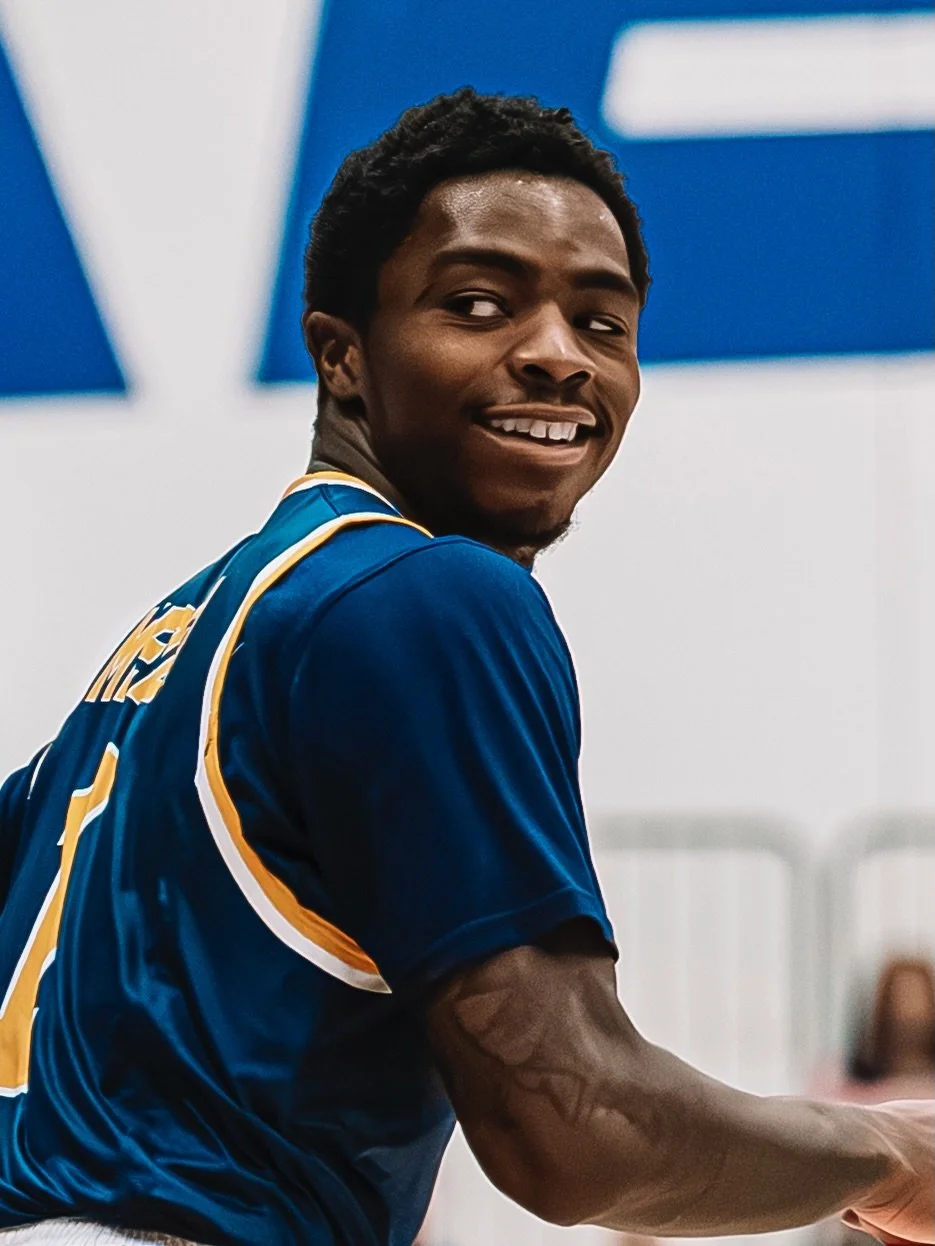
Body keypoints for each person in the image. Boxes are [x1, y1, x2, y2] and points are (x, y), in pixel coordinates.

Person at [0, 88, 932, 1246]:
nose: (554, 356)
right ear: (342, 357)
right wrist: (891, 1153)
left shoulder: (164, 655)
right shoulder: (423, 595)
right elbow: (569, 1120)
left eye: (602, 323)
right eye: (479, 303)